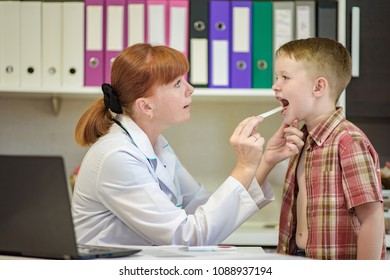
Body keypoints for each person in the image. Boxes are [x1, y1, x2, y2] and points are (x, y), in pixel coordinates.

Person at [71, 43, 304, 246]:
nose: (190, 89)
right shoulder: (118, 156)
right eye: (176, 84)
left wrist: (265, 162)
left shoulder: (157, 145)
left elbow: (202, 207)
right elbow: (186, 236)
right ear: (146, 106)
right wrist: (243, 166)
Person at [274, 38, 386, 259]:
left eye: (285, 78)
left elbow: (372, 218)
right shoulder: (301, 141)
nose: (275, 86)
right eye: (276, 78)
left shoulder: (348, 142)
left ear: (318, 87)